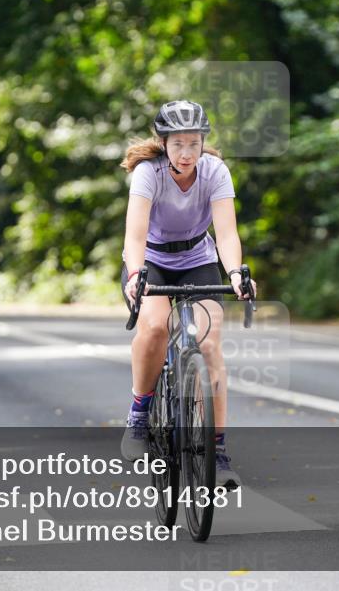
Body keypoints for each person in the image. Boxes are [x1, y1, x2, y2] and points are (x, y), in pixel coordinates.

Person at [119, 99, 257, 490]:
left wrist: (234, 273)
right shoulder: (148, 173)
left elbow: (227, 234)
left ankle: (218, 450)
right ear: (163, 143)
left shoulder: (215, 171)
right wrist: (134, 275)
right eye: (178, 144)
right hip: (152, 261)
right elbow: (135, 235)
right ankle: (139, 414)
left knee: (209, 344)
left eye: (193, 144)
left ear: (203, 143)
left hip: (198, 258)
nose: (186, 153)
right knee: (156, 327)